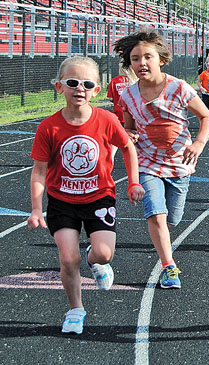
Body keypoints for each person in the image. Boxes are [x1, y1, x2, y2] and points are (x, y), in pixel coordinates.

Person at [27, 56, 145, 335]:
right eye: (72, 82)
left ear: (97, 90)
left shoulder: (106, 120)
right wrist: (35, 208)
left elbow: (127, 147)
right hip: (62, 201)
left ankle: (96, 262)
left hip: (99, 198)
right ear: (59, 87)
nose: (79, 88)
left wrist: (133, 182)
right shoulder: (49, 127)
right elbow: (39, 171)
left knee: (103, 253)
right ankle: (75, 310)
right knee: (69, 259)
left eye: (87, 83)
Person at [114, 29, 209, 288]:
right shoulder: (128, 95)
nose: (141, 63)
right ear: (130, 64)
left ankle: (165, 241)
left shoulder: (178, 87)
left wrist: (199, 143)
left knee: (172, 219)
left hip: (180, 164)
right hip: (147, 162)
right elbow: (130, 127)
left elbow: (206, 117)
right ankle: (169, 267)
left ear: (161, 59)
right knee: (155, 215)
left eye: (147, 56)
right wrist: (129, 134)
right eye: (135, 59)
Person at [107, 63, 137, 159]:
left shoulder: (115, 81)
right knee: (134, 140)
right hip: (133, 116)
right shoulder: (136, 80)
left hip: (119, 115)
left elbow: (111, 98)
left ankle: (110, 160)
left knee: (115, 141)